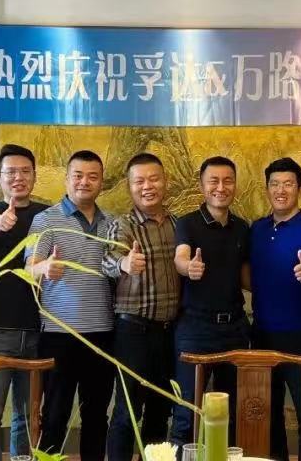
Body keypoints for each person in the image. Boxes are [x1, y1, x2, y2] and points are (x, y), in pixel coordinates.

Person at [28, 150, 115, 460]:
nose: (84, 182)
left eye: (92, 177)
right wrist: (44, 268)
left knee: (97, 416)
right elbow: (28, 267)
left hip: (103, 334)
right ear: (66, 180)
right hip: (58, 335)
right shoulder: (45, 220)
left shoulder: (112, 223)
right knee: (55, 415)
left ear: (101, 182)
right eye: (78, 175)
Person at [248, 157, 301, 461]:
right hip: (262, 334)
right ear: (267, 189)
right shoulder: (257, 229)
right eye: (274, 184)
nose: (280, 190)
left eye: (288, 184)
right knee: (267, 411)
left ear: (300, 189)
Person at [0, 144, 49, 461]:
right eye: (11, 172)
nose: (18, 177)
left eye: (25, 171)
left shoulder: (48, 215)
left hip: (38, 330)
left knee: (28, 418)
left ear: (34, 175)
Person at [102, 153, 181, 461]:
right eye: (139, 181)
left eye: (154, 179)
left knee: (161, 409)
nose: (147, 186)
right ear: (129, 186)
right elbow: (107, 260)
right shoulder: (122, 225)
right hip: (132, 331)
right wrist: (124, 263)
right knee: (127, 411)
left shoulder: (178, 224)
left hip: (169, 332)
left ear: (165, 181)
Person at [170, 156, 251, 447]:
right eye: (213, 181)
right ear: (202, 186)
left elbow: (246, 279)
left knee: (231, 412)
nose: (221, 187)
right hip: (196, 329)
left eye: (228, 181)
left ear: (235, 185)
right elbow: (180, 257)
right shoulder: (187, 223)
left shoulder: (242, 228)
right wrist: (188, 267)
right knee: (186, 412)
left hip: (235, 329)